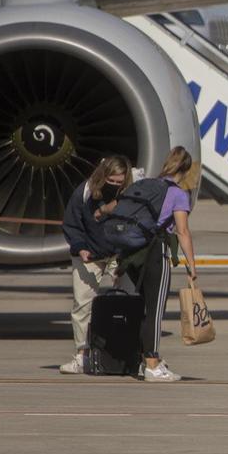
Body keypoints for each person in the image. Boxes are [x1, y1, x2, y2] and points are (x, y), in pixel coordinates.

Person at [116, 147, 199, 383]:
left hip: (132, 252)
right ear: (184, 169)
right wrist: (192, 266)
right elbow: (182, 232)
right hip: (155, 252)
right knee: (155, 310)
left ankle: (142, 361)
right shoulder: (177, 194)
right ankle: (152, 363)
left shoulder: (144, 186)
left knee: (139, 308)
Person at [60, 154, 133, 374]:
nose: (116, 186)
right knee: (82, 305)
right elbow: (71, 224)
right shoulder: (84, 192)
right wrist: (80, 247)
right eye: (112, 181)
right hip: (89, 254)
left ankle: (128, 354)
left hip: (118, 253)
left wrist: (125, 255)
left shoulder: (129, 191)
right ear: (103, 177)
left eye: (120, 182)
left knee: (130, 300)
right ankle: (82, 354)